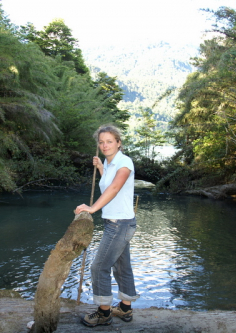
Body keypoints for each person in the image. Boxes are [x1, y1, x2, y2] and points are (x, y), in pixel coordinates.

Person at [74, 125, 139, 327]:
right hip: (118, 222)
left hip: (120, 224)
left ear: (118, 142)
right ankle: (125, 309)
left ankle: (104, 313)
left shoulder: (124, 162)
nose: (104, 145)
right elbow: (107, 184)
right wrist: (102, 168)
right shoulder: (108, 163)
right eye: (101, 142)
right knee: (122, 266)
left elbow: (115, 187)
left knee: (99, 267)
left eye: (109, 141)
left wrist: (92, 208)